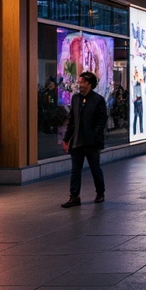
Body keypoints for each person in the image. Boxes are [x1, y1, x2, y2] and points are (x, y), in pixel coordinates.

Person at [62, 71, 107, 206]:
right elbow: (72, 121)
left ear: (89, 84)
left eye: (82, 82)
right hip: (77, 142)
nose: (79, 85)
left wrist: (95, 135)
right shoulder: (76, 99)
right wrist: (66, 139)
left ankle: (100, 192)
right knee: (75, 170)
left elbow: (102, 120)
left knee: (95, 168)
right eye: (79, 82)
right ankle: (74, 196)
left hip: (91, 142)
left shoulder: (98, 100)